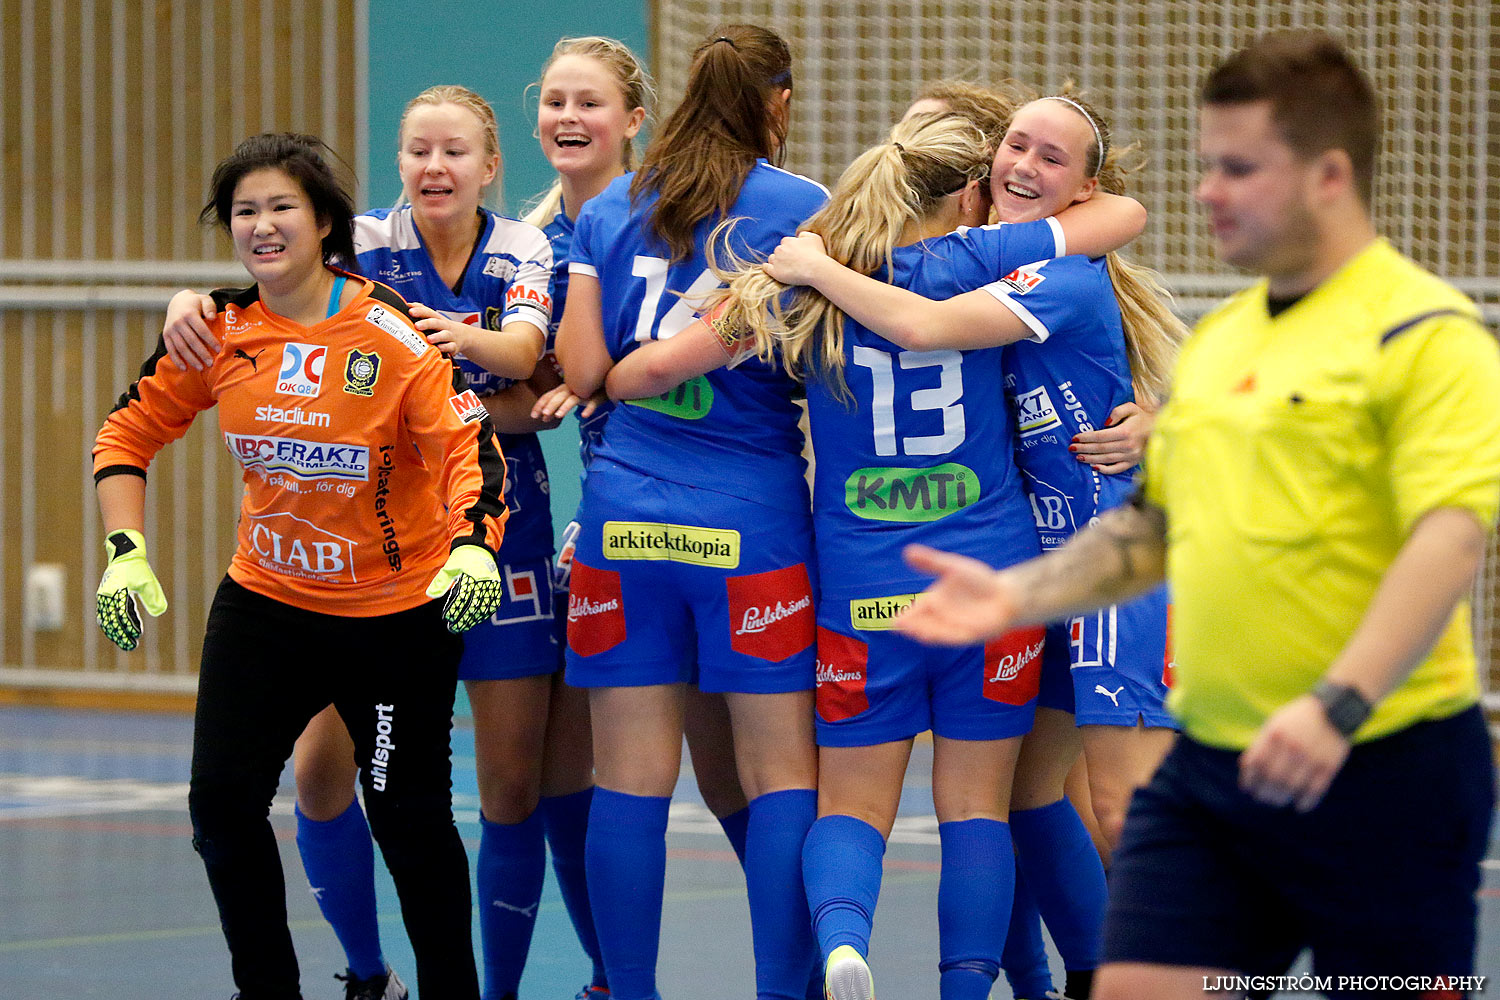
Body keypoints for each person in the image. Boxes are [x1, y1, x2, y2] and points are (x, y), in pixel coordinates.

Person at [894, 30, 1500, 1000]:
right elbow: (1147, 533)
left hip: (1383, 751)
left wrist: (1338, 701)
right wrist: (1013, 592)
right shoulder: (1220, 345)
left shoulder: (1424, 332)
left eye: (1239, 168)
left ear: (1329, 175)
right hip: (1216, 760)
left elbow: (1449, 538)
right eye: (1210, 165)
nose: (1209, 190)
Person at [603, 104, 1145, 1000]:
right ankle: (974, 986)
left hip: (865, 587)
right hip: (991, 575)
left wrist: (605, 383)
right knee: (981, 809)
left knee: (852, 806)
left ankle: (845, 944)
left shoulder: (804, 286)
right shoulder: (988, 263)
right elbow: (1111, 221)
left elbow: (671, 363)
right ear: (967, 192)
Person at [765, 89, 1187, 1000]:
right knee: (1019, 803)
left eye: (1051, 157)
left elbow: (912, 323)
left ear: (1084, 187)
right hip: (1019, 571)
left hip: (1102, 565)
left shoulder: (1019, 272)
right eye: (1013, 148)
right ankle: (1059, 979)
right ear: (970, 177)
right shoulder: (976, 266)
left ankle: (1173, 973)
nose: (1024, 167)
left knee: (1108, 806)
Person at [159, 87, 560, 1000]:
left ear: (491, 166)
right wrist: (189, 299)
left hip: (488, 534)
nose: (434, 168)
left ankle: (485, 988)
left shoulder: (523, 249)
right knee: (317, 779)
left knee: (500, 791)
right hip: (344, 561)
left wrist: (452, 348)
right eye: (417, 150)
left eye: (454, 152)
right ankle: (366, 973)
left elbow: (526, 360)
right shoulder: (367, 243)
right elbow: (274, 275)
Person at [554, 24, 828, 1000]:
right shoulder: (806, 211)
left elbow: (583, 375)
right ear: (777, 102)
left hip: (623, 526)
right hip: (748, 528)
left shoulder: (607, 209)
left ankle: (628, 989)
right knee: (779, 779)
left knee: (627, 781)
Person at [520, 37, 756, 999]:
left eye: (591, 102)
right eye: (555, 101)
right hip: (611, 523)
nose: (569, 118)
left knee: (725, 772)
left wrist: (598, 382)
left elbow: (600, 373)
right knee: (563, 778)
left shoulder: (674, 218)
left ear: (634, 119)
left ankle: (815, 946)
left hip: (699, 519)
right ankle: (616, 978)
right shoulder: (529, 242)